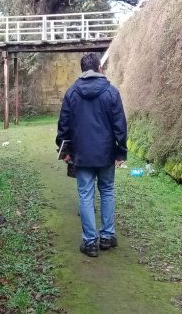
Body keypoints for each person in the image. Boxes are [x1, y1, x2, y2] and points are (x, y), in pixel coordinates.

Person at [56, 53, 127, 258]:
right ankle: (107, 236)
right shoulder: (112, 93)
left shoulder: (72, 93)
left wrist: (65, 151)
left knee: (85, 195)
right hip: (106, 153)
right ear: (99, 68)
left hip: (81, 154)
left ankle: (90, 242)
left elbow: (64, 126)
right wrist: (120, 151)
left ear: (82, 70)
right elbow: (120, 126)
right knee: (107, 191)